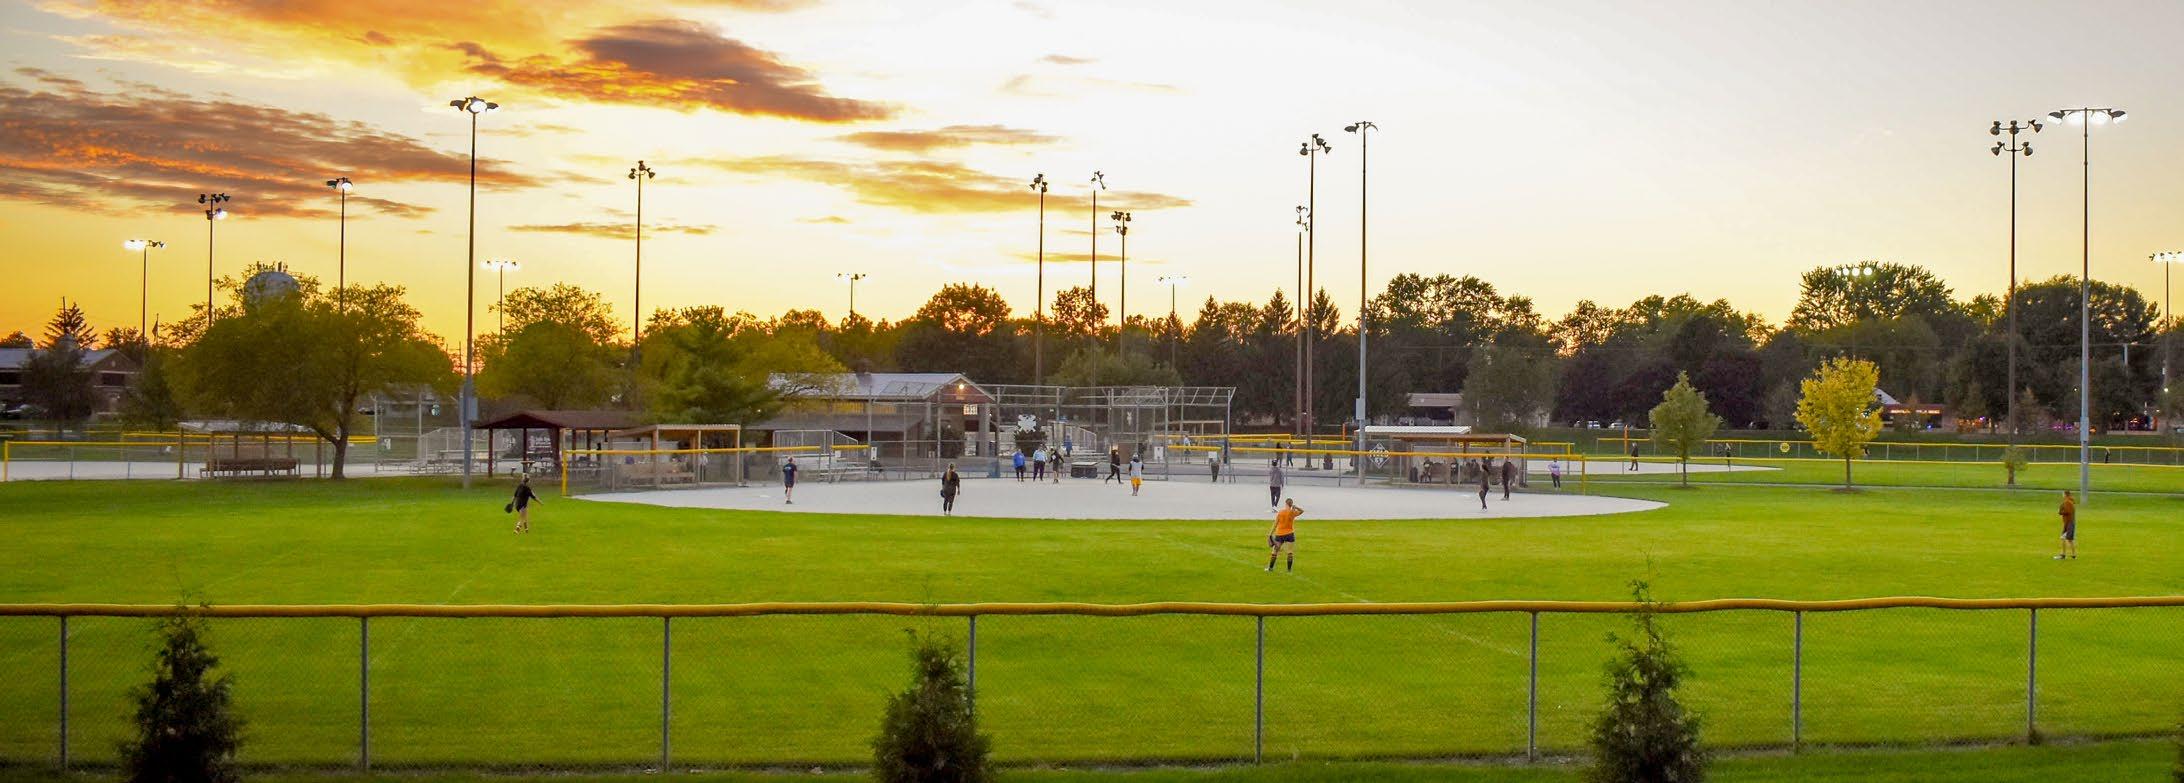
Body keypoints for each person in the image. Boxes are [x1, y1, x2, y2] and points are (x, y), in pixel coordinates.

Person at [1267, 498, 1302, 572]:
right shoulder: (1292, 512)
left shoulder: (1281, 512)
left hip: (1280, 534)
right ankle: (1289, 570)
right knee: (1290, 552)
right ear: (1291, 504)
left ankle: (1270, 568)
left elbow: (1275, 524)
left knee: (1275, 551)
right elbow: (1302, 511)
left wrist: (1270, 533)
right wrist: (1296, 507)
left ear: (1286, 504)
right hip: (1290, 533)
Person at [2055, 490, 2077, 560]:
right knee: (2070, 540)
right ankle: (2073, 555)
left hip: (2069, 523)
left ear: (2065, 494)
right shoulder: (2070, 501)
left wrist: (2060, 512)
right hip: (2070, 522)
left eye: (2063, 494)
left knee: (2063, 538)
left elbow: (2067, 511)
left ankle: (2063, 555)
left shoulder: (2067, 502)